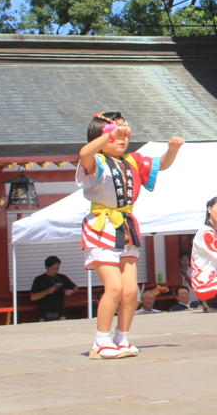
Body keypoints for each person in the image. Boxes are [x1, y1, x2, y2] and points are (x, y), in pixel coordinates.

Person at [78, 112, 184, 359]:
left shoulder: (133, 160)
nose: (122, 138)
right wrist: (108, 134)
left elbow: (163, 164)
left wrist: (173, 150)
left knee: (129, 291)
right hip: (101, 226)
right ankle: (101, 341)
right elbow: (84, 154)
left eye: (125, 133)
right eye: (117, 134)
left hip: (125, 226)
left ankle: (121, 338)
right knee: (113, 287)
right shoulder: (97, 161)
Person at [29, 255, 79, 322]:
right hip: (45, 313)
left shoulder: (62, 277)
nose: (55, 271)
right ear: (47, 268)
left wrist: (72, 291)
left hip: (60, 313)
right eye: (53, 269)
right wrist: (46, 292)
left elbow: (76, 288)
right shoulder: (39, 279)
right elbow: (33, 297)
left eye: (57, 268)